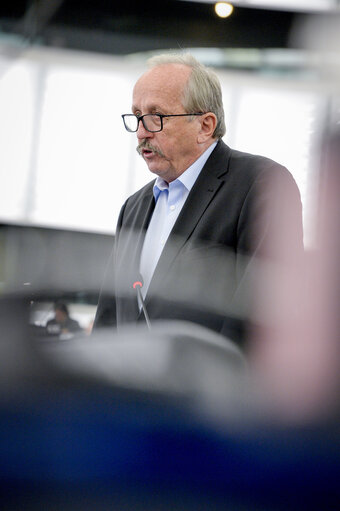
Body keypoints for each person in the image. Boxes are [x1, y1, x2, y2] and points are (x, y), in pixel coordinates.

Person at [94, 53, 303, 349]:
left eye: (156, 117)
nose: (141, 132)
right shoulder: (133, 207)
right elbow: (109, 315)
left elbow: (263, 313)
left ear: (205, 125)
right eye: (137, 116)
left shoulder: (262, 184)